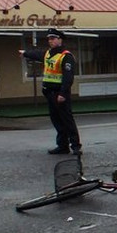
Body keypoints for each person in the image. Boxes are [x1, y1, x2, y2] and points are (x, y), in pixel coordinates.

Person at [19, 28, 82, 156]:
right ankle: (62, 146)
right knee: (57, 121)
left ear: (60, 39)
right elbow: (37, 55)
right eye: (49, 39)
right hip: (49, 93)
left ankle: (75, 146)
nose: (50, 41)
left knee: (67, 120)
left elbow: (68, 77)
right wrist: (25, 53)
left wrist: (63, 94)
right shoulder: (49, 53)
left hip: (59, 93)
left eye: (53, 38)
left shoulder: (66, 56)